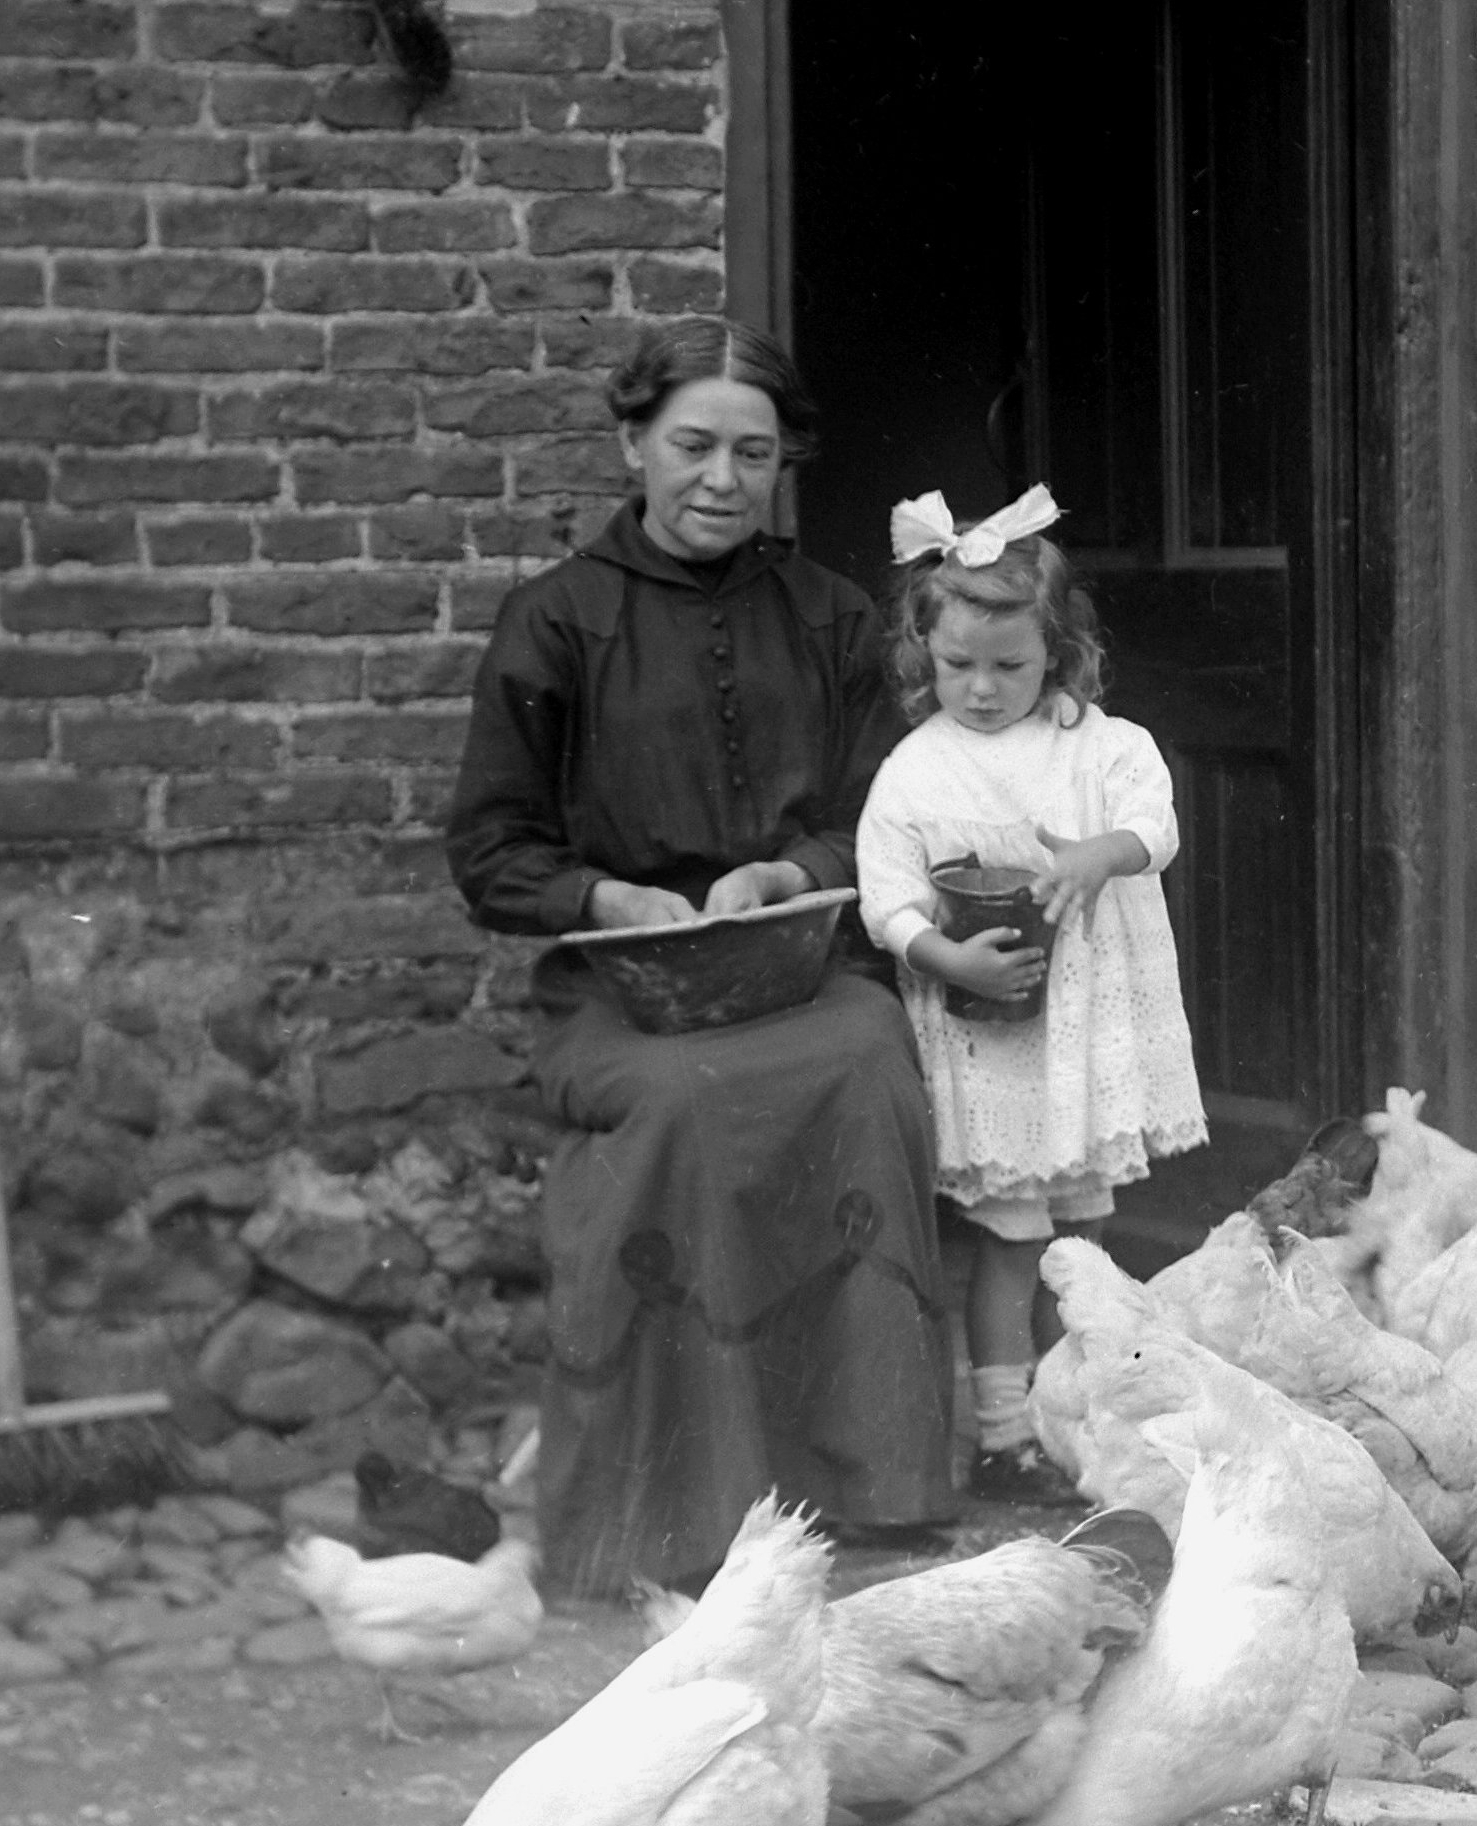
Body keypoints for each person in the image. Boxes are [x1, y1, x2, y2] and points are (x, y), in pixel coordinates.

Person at [443, 319, 953, 1597]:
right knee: (677, 1104)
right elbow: (492, 851)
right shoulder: (555, 621)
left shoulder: (830, 616)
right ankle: (666, 1515)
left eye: (753, 452)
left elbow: (884, 808)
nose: (722, 478)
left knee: (868, 1060)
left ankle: (865, 1484)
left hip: (792, 969)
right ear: (633, 445)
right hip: (619, 991)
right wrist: (608, 894)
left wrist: (792, 871)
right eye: (692, 446)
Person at [855, 488, 1209, 1500]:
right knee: (1010, 1245)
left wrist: (1103, 851)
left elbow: (1158, 824)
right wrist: (942, 955)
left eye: (1008, 666)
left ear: (1056, 652)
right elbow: (887, 895)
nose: (980, 688)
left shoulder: (1100, 746)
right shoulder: (916, 770)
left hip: (1079, 1043)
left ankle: (1081, 1419)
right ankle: (1004, 1435)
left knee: (1080, 1244)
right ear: (925, 656)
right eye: (957, 666)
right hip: (996, 1048)